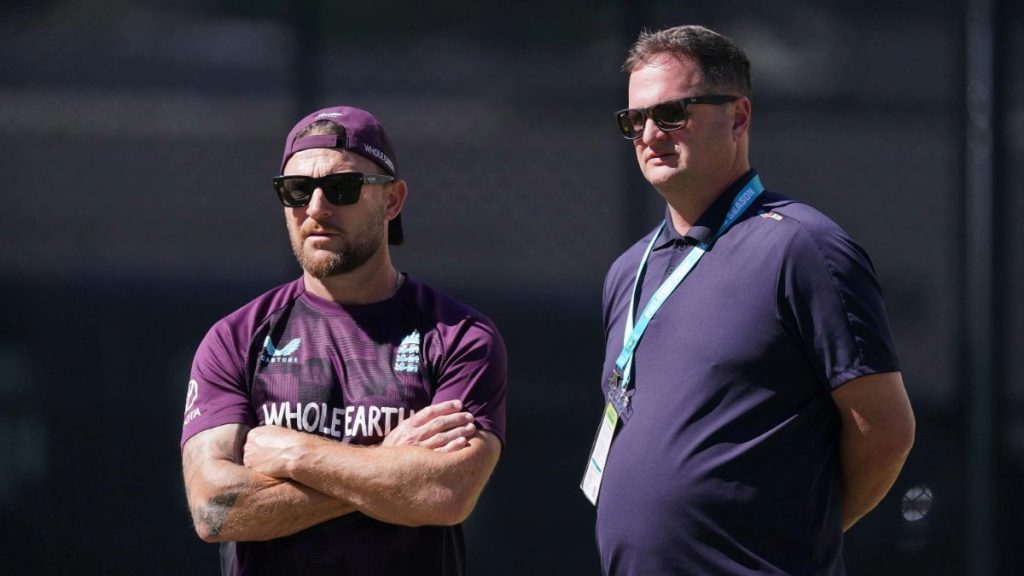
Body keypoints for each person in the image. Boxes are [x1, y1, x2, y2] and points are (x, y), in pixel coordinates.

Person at [584, 25, 915, 575]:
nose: (649, 134)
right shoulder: (628, 270)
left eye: (672, 114)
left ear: (738, 117)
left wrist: (795, 535)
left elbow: (885, 433)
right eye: (634, 120)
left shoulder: (803, 247)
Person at [180, 105, 507, 576]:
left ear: (392, 200)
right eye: (297, 190)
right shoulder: (235, 339)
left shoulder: (459, 336)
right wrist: (392, 468)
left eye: (342, 188)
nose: (315, 208)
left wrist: (296, 454)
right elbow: (215, 510)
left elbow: (444, 493)